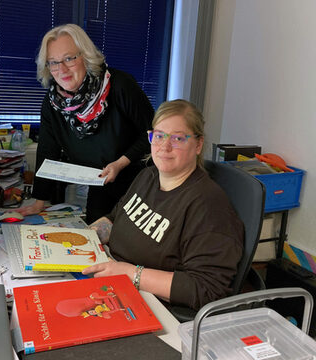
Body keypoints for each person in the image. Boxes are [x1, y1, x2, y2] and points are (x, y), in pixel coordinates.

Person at [82, 99, 244, 311]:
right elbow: (116, 218)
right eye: (158, 136)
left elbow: (206, 288)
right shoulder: (147, 175)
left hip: (149, 303)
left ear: (198, 144)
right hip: (111, 275)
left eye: (177, 138)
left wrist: (130, 274)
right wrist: (82, 238)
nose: (164, 147)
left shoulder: (208, 206)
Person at [16, 24, 154, 223]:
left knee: (130, 246)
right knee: (95, 241)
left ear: (86, 56)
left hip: (139, 185)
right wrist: (40, 200)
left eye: (69, 58)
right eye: (53, 62)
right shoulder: (53, 102)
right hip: (100, 186)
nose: (61, 69)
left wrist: (120, 163)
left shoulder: (120, 86)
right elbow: (48, 151)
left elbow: (152, 134)